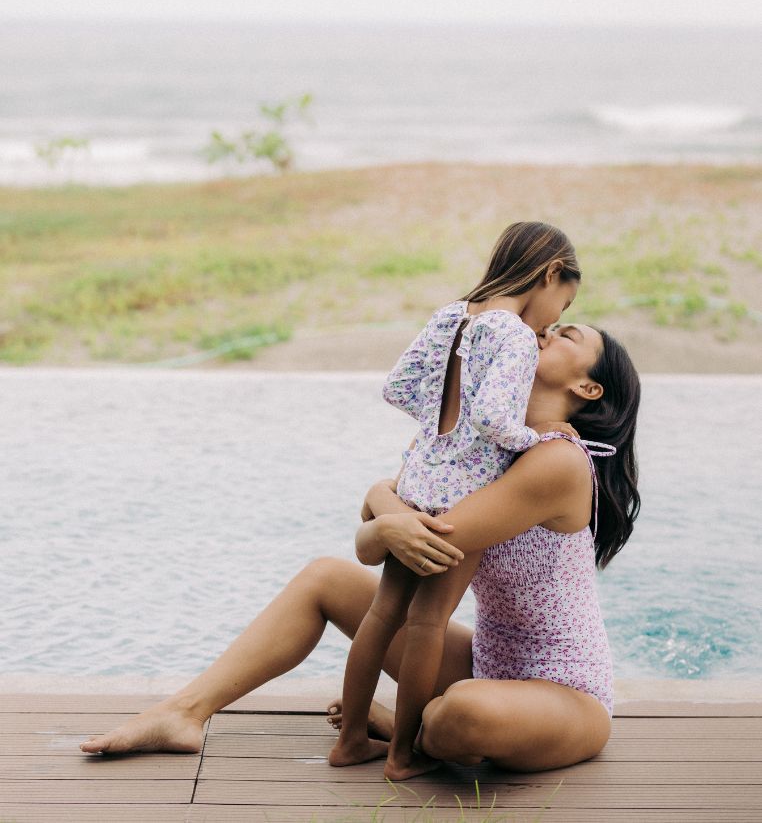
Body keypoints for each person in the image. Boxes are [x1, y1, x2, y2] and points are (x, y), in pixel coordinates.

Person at [80, 320, 641, 776]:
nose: (544, 331)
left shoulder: (559, 460)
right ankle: (182, 712)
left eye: (567, 336)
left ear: (588, 389)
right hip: (484, 664)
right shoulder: (486, 444)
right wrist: (378, 510)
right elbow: (376, 548)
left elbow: (430, 537)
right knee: (325, 577)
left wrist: (379, 502)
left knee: (460, 715)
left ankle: (409, 729)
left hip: (565, 695)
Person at [329, 221, 584, 778]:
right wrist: (531, 438)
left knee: (381, 614)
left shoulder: (451, 315)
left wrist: (442, 422)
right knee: (426, 624)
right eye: (561, 303)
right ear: (549, 275)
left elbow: (397, 387)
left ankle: (350, 739)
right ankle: (402, 754)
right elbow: (495, 420)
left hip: (419, 473)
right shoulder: (513, 334)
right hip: (462, 494)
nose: (551, 324)